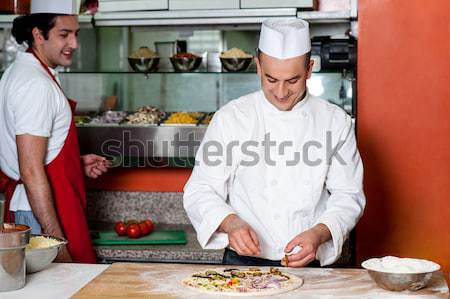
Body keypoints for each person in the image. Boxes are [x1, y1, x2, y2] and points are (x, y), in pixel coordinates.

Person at [183, 19, 366, 267]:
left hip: (306, 260)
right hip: (242, 261)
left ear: (310, 69)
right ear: (258, 67)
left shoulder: (335, 122)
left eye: (292, 81)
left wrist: (318, 234)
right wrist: (231, 222)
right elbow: (199, 189)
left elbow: (348, 196)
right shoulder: (232, 118)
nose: (281, 92)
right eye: (271, 79)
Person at [0, 0, 109, 263]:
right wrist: (56, 246)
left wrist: (72, 163)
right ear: (38, 34)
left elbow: (31, 156)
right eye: (64, 35)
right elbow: (30, 170)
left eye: (76, 34)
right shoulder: (34, 85)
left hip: (39, 206)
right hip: (41, 216)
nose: (74, 44)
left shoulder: (24, 72)